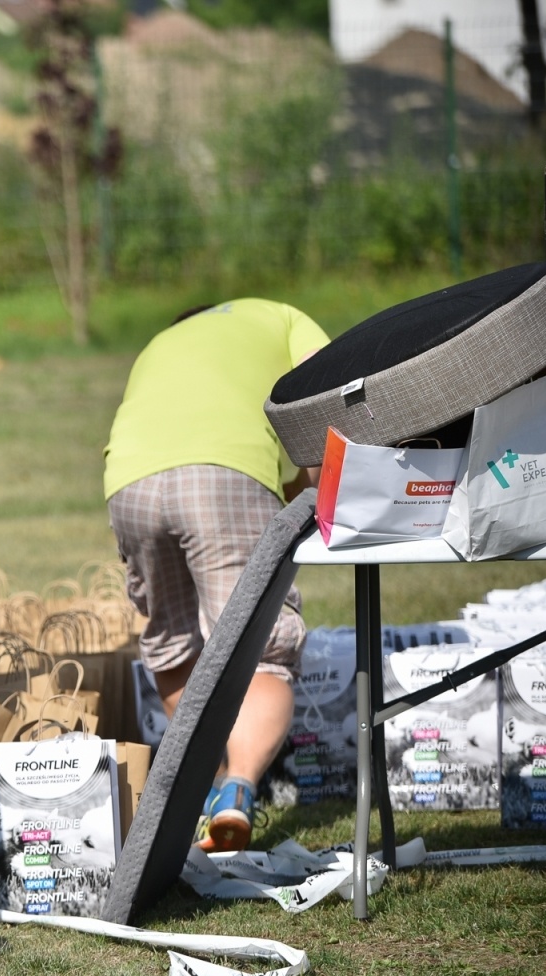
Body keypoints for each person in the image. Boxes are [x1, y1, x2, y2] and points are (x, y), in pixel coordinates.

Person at [102, 299, 327, 852]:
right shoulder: (280, 317)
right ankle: (241, 783)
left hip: (128, 482)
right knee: (264, 648)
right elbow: (326, 407)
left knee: (175, 645)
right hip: (224, 470)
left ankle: (211, 789)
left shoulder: (158, 343)